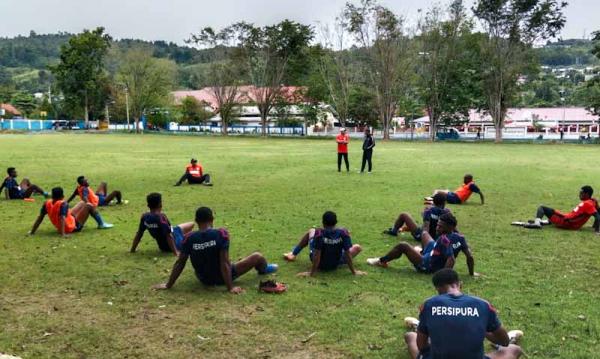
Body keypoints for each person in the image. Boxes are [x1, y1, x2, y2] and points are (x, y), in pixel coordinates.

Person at [152, 207, 278, 294]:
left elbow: (180, 263)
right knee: (257, 256)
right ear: (212, 219)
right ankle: (264, 269)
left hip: (203, 279)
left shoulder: (189, 238)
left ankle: (238, 267)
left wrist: (168, 284)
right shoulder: (221, 234)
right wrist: (230, 288)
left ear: (196, 221)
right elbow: (224, 263)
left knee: (223, 261)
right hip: (221, 277)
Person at [404, 268, 523, 359]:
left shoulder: (429, 304)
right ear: (460, 284)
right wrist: (482, 329)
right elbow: (504, 341)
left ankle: (418, 326)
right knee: (514, 349)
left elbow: (422, 346)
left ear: (437, 289)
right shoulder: (483, 305)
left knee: (410, 336)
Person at [367, 213, 477, 277]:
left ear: (450, 228)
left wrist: (443, 277)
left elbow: (451, 259)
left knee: (403, 245)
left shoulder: (443, 240)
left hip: (427, 264)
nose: (437, 228)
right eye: (437, 225)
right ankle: (420, 251)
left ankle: (382, 261)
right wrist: (472, 274)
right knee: (424, 233)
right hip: (433, 252)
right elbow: (470, 257)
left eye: (440, 226)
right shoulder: (460, 238)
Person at [283, 211, 365, 277]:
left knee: (311, 231)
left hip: (321, 264)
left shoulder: (319, 234)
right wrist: (354, 272)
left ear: (323, 223)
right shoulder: (343, 233)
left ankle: (293, 254)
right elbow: (347, 254)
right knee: (357, 247)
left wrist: (311, 273)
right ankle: (336, 253)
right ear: (336, 222)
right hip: (335, 263)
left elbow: (317, 255)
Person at [130, 193, 195, 256]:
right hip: (175, 243)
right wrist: (176, 252)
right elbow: (168, 236)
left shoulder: (144, 217)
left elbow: (139, 234)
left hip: (163, 245)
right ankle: (184, 238)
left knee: (190, 225)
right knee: (193, 232)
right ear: (160, 204)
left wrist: (132, 250)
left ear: (148, 205)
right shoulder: (161, 217)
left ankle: (182, 235)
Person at [513, 186, 600, 233]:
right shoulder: (593, 201)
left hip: (566, 222)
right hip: (571, 222)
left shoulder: (587, 204)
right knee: (553, 217)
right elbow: (598, 214)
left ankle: (537, 223)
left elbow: (598, 216)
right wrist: (594, 226)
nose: (579, 195)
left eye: (581, 193)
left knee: (542, 208)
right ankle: (542, 222)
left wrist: (597, 231)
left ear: (587, 194)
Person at [28, 187, 96, 237]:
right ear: (62, 196)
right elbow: (62, 218)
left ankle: (101, 222)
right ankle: (101, 223)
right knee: (89, 205)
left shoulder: (46, 203)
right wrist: (63, 234)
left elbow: (40, 218)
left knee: (82, 202)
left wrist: (32, 231)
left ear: (52, 196)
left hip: (65, 223)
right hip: (72, 227)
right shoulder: (63, 204)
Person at [384, 192, 450, 240]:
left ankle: (394, 231)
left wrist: (426, 240)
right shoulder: (447, 212)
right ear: (444, 203)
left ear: (434, 202)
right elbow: (452, 227)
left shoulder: (429, 210)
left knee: (404, 215)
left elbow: (426, 227)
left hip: (424, 236)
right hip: (438, 238)